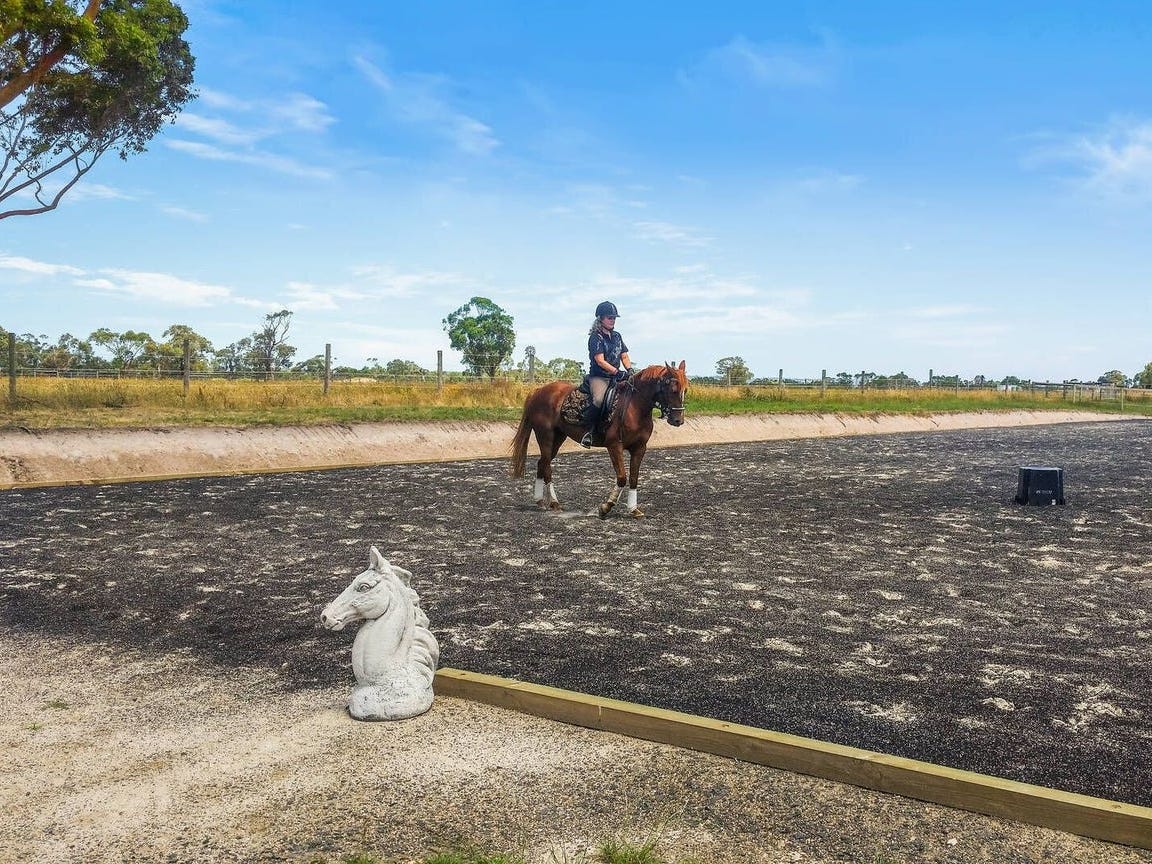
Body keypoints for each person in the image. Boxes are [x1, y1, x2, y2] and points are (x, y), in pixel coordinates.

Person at [580, 300, 633, 447]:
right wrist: (617, 372)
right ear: (601, 318)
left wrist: (629, 370)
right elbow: (600, 361)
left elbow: (624, 356)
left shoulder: (617, 336)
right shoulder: (595, 337)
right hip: (600, 377)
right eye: (610, 317)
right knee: (598, 399)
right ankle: (588, 432)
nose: (613, 320)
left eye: (614, 318)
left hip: (616, 377)